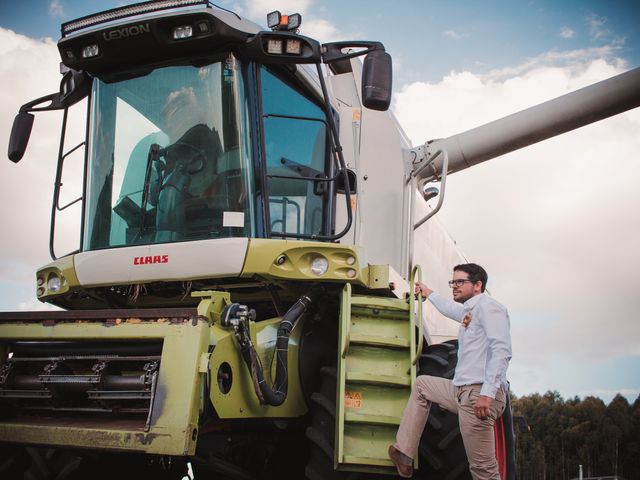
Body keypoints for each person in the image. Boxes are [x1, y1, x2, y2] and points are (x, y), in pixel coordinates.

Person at [388, 263, 512, 480]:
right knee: (422, 385)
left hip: (478, 395)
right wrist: (429, 293)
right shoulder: (470, 310)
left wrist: (487, 393)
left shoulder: (491, 308)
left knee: (484, 472)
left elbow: (501, 350)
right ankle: (404, 454)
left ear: (477, 285)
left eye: (459, 282)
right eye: (452, 282)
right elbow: (452, 310)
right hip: (461, 392)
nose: (453, 286)